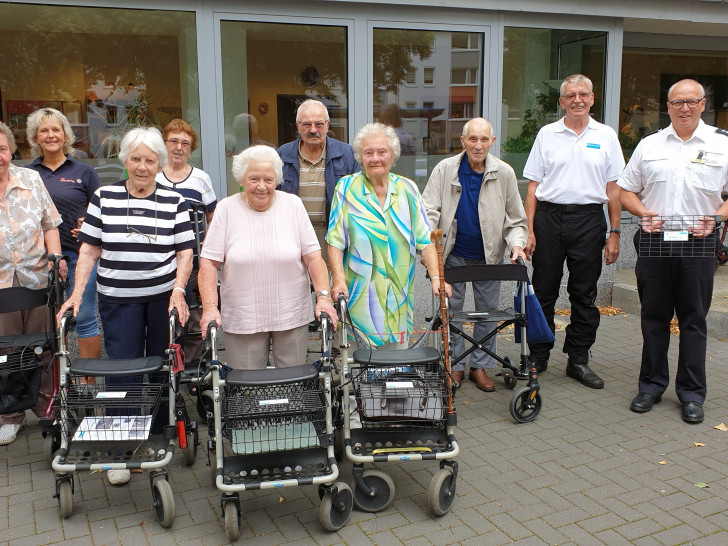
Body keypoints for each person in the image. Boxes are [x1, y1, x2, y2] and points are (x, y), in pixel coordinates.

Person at [57, 127, 194, 484]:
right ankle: (121, 446)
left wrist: (179, 290)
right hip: (117, 299)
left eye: (150, 160)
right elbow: (88, 250)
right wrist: (76, 293)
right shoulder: (105, 197)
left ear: (159, 163)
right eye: (136, 159)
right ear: (125, 161)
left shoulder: (174, 200)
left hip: (162, 299)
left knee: (161, 364)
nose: (143, 167)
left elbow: (184, 253)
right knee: (123, 369)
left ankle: (156, 435)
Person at [618, 79, 728, 424]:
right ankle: (650, 386)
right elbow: (625, 191)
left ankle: (692, 394)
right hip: (656, 239)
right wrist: (642, 213)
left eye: (691, 101)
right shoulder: (649, 144)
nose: (684, 108)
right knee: (653, 317)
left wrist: (716, 218)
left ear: (702, 104)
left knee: (694, 320)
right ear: (668, 106)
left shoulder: (721, 145)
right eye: (677, 102)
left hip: (698, 240)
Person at [523, 74, 624, 389]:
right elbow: (532, 187)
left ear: (592, 98)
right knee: (543, 292)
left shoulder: (606, 136)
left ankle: (578, 359)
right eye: (571, 95)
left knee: (584, 293)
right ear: (562, 101)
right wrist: (529, 230)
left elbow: (614, 189)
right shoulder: (547, 134)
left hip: (589, 220)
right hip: (548, 219)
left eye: (583, 94)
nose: (577, 100)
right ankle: (538, 357)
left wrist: (615, 232)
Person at [198, 145, 337, 370]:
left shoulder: (293, 205)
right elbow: (209, 264)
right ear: (241, 180)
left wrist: (323, 297)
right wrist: (210, 308)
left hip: (290, 314)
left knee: (292, 385)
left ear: (277, 180)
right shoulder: (225, 209)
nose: (261, 186)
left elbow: (314, 258)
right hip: (244, 317)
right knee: (247, 390)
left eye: (268, 179)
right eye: (254, 179)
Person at [422, 118, 527, 392]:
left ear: (492, 142)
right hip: (452, 256)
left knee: (487, 314)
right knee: (452, 314)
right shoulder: (445, 169)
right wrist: (427, 245)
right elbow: (428, 211)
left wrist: (517, 244)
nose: (478, 145)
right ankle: (455, 365)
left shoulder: (503, 172)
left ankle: (480, 366)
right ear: (463, 141)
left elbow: (516, 219)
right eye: (473, 139)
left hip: (489, 258)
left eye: (484, 139)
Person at [327, 123, 449, 349]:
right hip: (358, 300)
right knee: (357, 369)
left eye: (382, 152)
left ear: (392, 155)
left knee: (395, 370)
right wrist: (339, 280)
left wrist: (436, 278)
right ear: (360, 157)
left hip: (398, 301)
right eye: (368, 152)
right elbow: (335, 242)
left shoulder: (408, 189)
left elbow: (425, 240)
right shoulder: (345, 189)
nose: (375, 158)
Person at [0, 122, 66, 445]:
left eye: (1, 149)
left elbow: (50, 224)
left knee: (41, 345)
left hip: (36, 277)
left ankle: (45, 406)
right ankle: (10, 415)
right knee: (7, 350)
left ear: (10, 150)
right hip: (1, 285)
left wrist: (56, 258)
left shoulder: (31, 178)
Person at [26, 108, 103, 362]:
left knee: (84, 316)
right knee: (52, 320)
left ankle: (87, 383)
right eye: (44, 130)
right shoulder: (27, 175)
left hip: (80, 257)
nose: (51, 135)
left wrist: (89, 225)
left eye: (56, 129)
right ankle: (61, 382)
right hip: (41, 260)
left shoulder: (84, 172)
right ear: (35, 137)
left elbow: (102, 212)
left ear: (65, 134)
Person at [156, 119, 217, 365]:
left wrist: (209, 255)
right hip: (160, 258)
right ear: (164, 144)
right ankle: (167, 362)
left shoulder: (201, 178)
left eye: (185, 143)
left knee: (193, 312)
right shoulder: (153, 175)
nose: (179, 147)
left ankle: (192, 366)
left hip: (192, 257)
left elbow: (212, 218)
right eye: (174, 141)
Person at [278, 99, 358, 261]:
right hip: (291, 237)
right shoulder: (281, 156)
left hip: (334, 238)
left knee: (330, 283)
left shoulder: (347, 154)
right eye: (307, 124)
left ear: (328, 125)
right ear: (298, 126)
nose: (313, 130)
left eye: (319, 124)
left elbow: (359, 200)